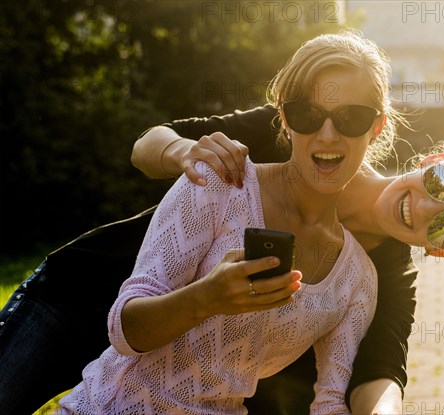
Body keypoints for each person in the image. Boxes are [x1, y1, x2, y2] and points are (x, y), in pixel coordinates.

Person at [56, 31, 401, 414]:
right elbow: (124, 332)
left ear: (376, 127)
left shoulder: (357, 279)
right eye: (308, 115)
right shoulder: (219, 184)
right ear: (285, 119)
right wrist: (206, 298)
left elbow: (330, 403)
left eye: (352, 118)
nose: (328, 135)